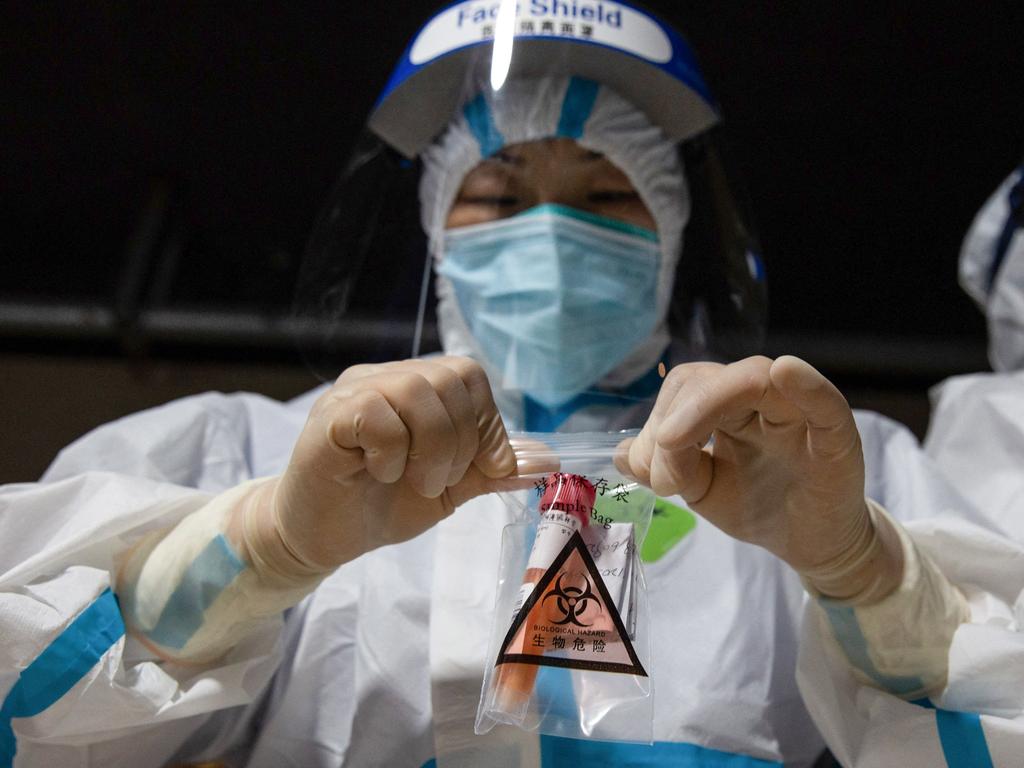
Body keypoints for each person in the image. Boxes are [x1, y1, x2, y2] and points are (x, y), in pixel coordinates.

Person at [2, 4, 1022, 766]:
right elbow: (30, 702)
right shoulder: (249, 458)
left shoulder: (832, 470)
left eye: (605, 192)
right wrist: (260, 547)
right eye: (495, 193)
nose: (549, 230)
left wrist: (861, 571)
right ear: (435, 230)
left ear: (674, 237)